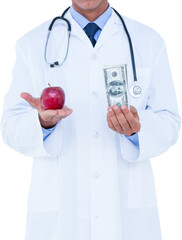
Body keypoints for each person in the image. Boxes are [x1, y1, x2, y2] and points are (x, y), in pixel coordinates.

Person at [1, 0, 181, 239]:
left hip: (127, 218)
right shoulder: (32, 44)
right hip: (62, 219)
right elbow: (11, 125)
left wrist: (137, 130)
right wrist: (44, 124)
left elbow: (169, 121)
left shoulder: (148, 42)